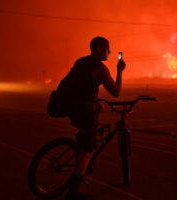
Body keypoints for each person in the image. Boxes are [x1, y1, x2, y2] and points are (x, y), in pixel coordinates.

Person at [64, 36, 126, 200]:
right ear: (99, 48)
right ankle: (73, 193)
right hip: (85, 111)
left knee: (89, 134)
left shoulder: (81, 61)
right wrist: (119, 71)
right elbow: (116, 92)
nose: (110, 51)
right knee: (87, 149)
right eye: (107, 47)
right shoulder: (100, 69)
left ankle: (81, 158)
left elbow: (80, 86)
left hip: (73, 107)